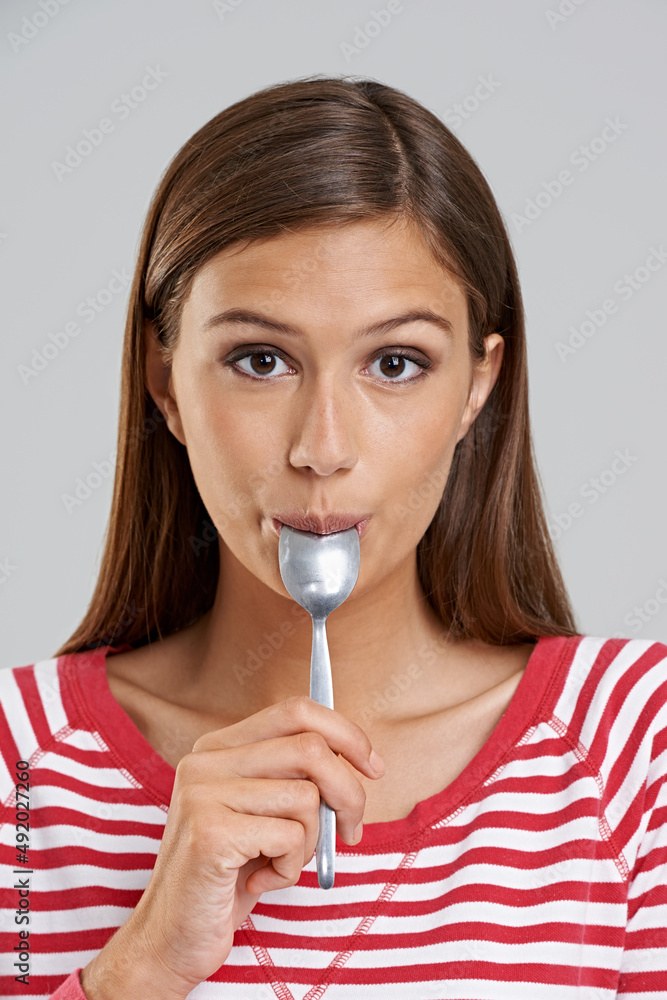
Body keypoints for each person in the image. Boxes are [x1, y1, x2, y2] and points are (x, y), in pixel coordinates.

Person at [1, 74, 665, 1000]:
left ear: (476, 387)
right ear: (165, 383)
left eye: (395, 363)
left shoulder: (635, 746)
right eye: (259, 360)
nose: (322, 449)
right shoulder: (19, 772)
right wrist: (138, 967)